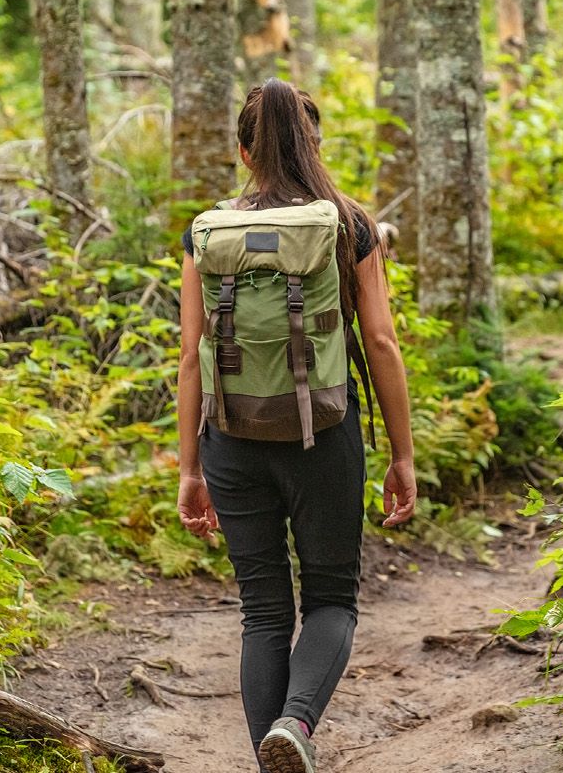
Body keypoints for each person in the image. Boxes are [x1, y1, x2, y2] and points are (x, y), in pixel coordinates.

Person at [174, 79, 418, 773]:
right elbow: (382, 343)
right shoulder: (348, 222)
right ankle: (297, 724)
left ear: (244, 150)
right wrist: (403, 456)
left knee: (263, 612)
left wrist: (191, 467)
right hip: (325, 437)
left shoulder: (206, 232)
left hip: (232, 442)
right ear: (314, 144)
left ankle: (272, 755)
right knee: (332, 597)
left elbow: (191, 359)